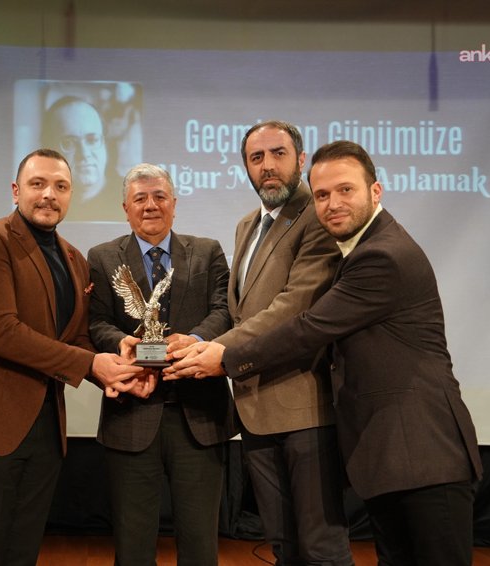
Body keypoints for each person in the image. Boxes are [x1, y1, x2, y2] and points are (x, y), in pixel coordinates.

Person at [167, 140, 484, 566]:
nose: (333, 204)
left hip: (425, 456)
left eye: (345, 190)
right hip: (390, 457)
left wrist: (223, 358)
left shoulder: (382, 255)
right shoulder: (357, 250)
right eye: (321, 195)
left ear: (376, 191)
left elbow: (308, 328)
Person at [0, 148, 145, 566]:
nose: (49, 195)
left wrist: (116, 367)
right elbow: (2, 333)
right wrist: (91, 365)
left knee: (23, 553)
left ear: (71, 194)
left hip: (46, 429)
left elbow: (76, 337)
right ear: (15, 190)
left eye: (60, 186)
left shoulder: (74, 258)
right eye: (37, 184)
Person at [180, 120, 354, 565]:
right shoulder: (247, 225)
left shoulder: (317, 216)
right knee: (283, 545)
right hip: (255, 410)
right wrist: (196, 339)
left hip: (306, 411)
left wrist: (221, 352)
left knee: (322, 548)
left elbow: (293, 306)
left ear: (301, 160)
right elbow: (241, 309)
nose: (268, 166)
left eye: (278, 154)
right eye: (256, 158)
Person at [87, 163, 233, 566]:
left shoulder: (208, 251)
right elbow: (96, 322)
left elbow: (225, 310)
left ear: (174, 204)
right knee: (132, 547)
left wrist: (195, 340)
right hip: (131, 414)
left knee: (200, 546)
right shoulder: (102, 257)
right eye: (140, 198)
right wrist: (122, 342)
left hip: (199, 415)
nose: (150, 205)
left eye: (159, 197)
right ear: (126, 208)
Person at [41, 96, 124, 221]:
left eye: (92, 140)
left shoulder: (132, 197)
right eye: (69, 143)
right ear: (49, 152)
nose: (84, 154)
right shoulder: (38, 205)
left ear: (105, 144)